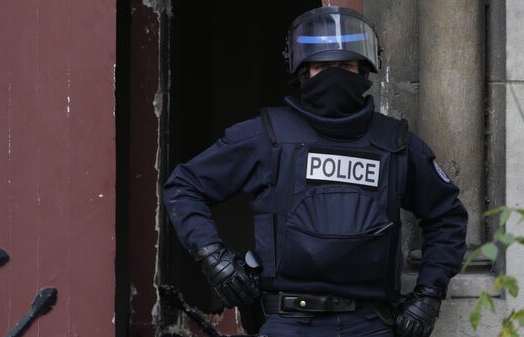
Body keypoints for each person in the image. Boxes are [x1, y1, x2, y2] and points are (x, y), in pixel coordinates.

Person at [163, 6, 467, 337]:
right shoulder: (267, 137)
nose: (334, 75)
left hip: (370, 324)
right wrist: (214, 258)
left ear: (365, 73)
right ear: (302, 73)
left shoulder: (394, 145)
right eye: (322, 66)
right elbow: (184, 186)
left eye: (345, 66)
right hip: (287, 321)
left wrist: (429, 295)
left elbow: (447, 216)